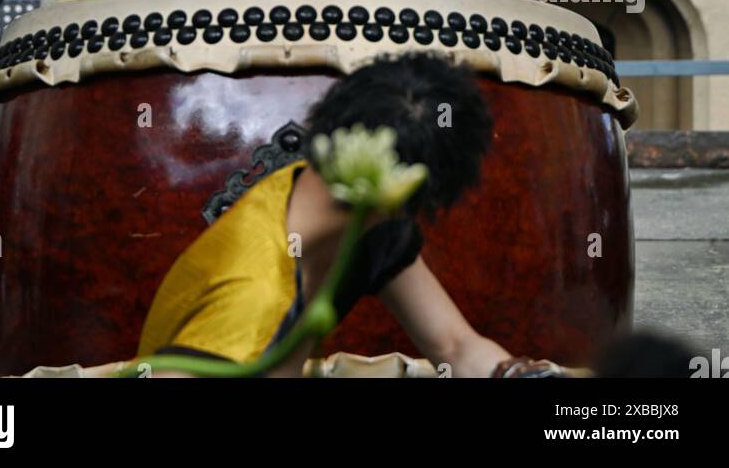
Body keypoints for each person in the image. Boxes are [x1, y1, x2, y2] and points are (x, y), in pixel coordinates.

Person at [136, 54, 570, 378]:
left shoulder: (343, 211)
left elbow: (454, 345)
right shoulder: (253, 293)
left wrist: (515, 374)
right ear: (408, 190)